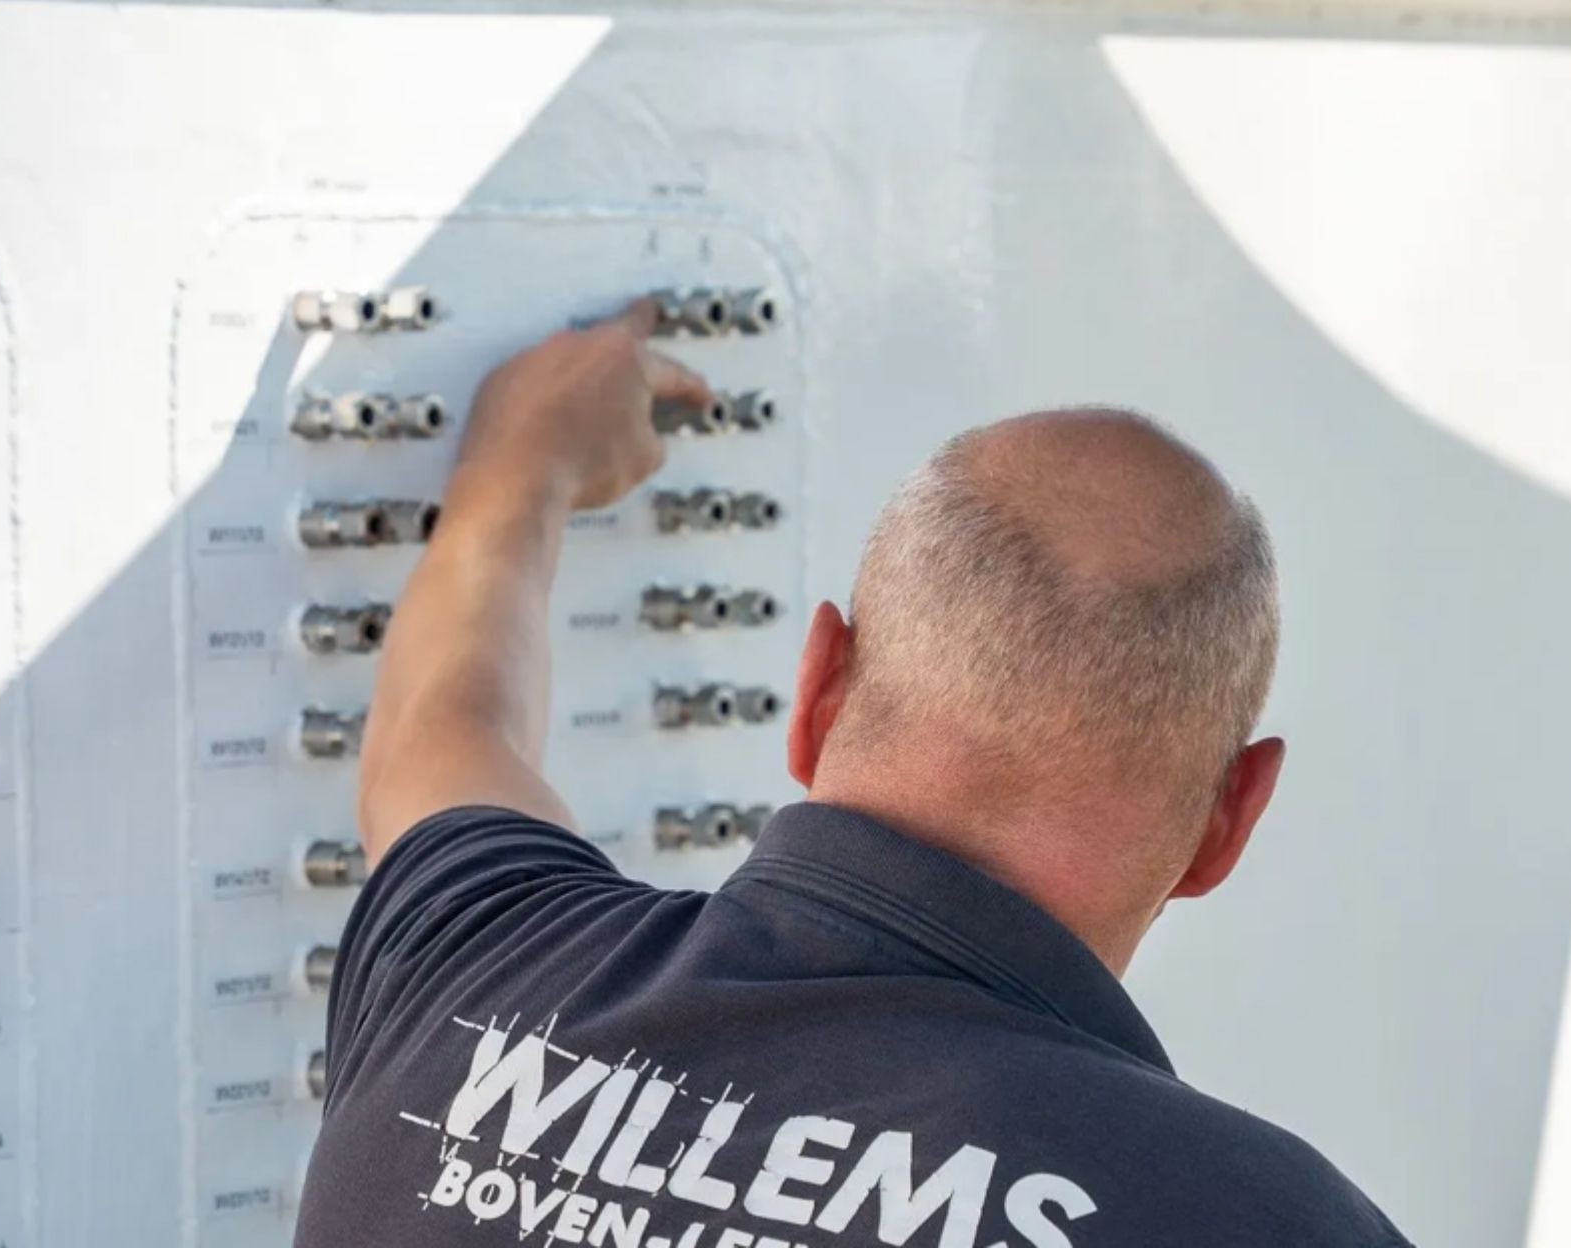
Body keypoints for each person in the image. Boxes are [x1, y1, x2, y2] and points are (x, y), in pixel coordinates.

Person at [292, 299, 1411, 1247]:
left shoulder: (474, 967)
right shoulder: (1259, 1216)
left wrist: (518, 469)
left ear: (819, 684)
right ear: (1230, 823)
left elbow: (440, 732)